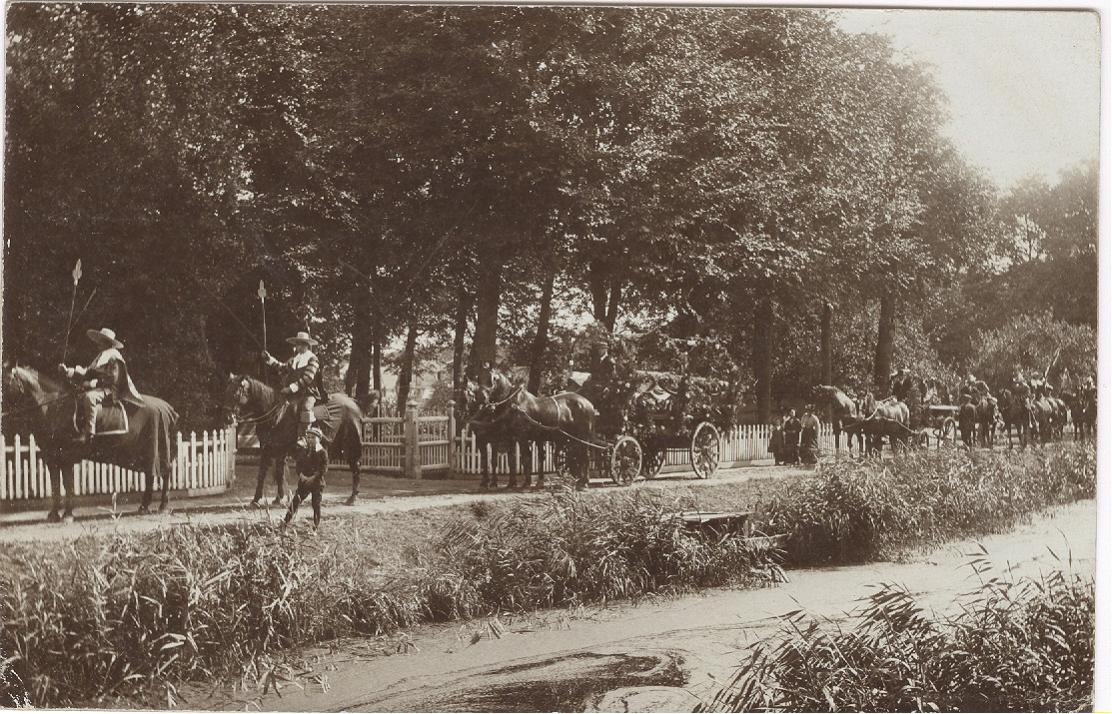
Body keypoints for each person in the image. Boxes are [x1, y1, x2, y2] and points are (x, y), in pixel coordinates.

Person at [58, 328, 144, 443]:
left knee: (90, 397)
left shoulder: (114, 357)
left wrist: (91, 384)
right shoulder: (101, 356)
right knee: (77, 396)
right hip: (102, 387)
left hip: (112, 389)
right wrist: (67, 371)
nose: (97, 343)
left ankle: (89, 432)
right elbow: (87, 372)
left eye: (100, 341)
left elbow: (113, 378)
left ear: (107, 343)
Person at [264, 330, 324, 438]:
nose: (297, 347)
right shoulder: (295, 359)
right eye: (296, 344)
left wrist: (290, 388)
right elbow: (282, 368)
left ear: (306, 345)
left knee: (306, 408)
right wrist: (269, 359)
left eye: (300, 344)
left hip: (308, 393)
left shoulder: (312, 359)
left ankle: (305, 437)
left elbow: (308, 378)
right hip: (294, 394)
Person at [283, 426, 329, 528]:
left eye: (313, 437)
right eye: (308, 437)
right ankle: (285, 522)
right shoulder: (304, 451)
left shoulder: (322, 452)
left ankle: (315, 526)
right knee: (296, 501)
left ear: (319, 439)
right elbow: (298, 465)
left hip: (316, 482)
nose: (310, 440)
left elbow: (323, 469)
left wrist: (313, 477)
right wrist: (301, 475)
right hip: (304, 482)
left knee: (316, 504)